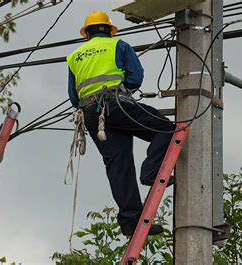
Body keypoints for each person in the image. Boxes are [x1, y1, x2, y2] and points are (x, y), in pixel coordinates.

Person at [66, 11, 175, 236]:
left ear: (87, 33)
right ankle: (150, 173)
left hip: (91, 114)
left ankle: (130, 222)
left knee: (118, 166)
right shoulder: (119, 45)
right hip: (116, 104)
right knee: (165, 128)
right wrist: (124, 90)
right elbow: (135, 78)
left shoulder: (74, 56)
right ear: (109, 29)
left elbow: (73, 96)